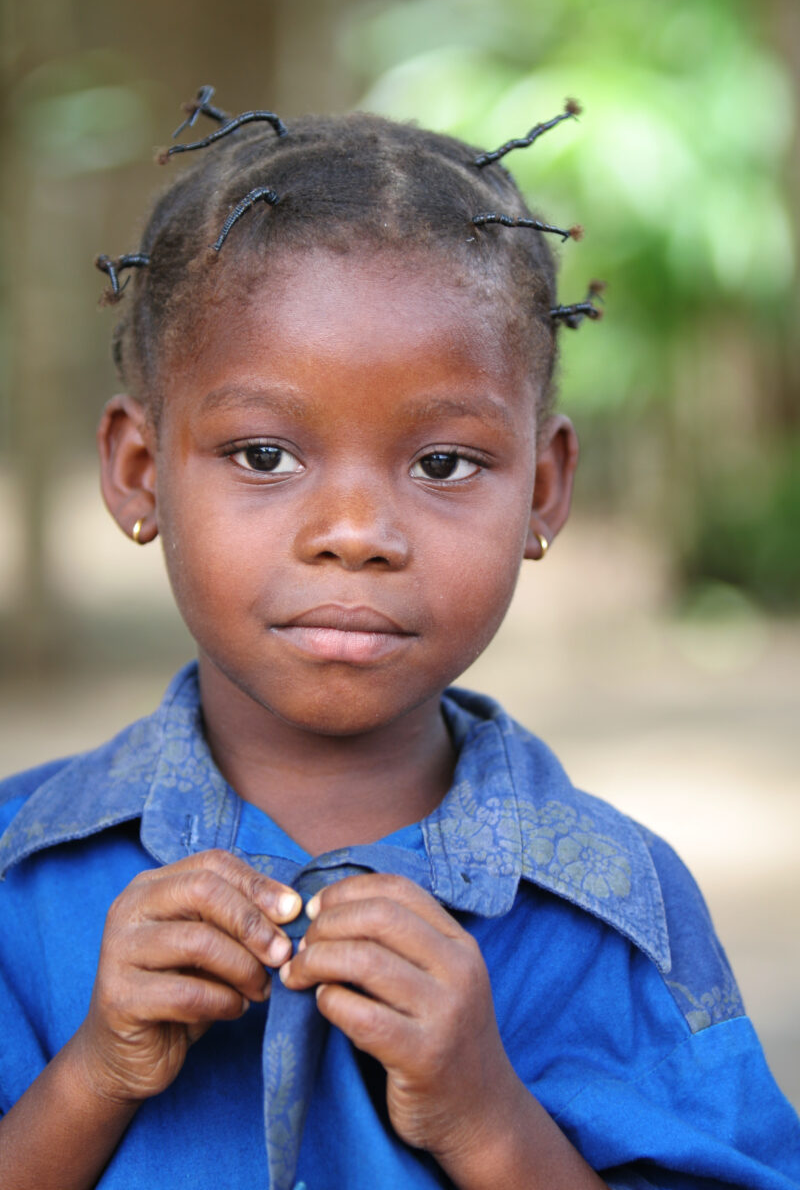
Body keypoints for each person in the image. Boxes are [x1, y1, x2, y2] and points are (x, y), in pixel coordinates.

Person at [0, 87, 797, 1190]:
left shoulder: (616, 910)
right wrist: (91, 1074)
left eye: (441, 465)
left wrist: (487, 1115)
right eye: (264, 455)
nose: (354, 535)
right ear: (140, 472)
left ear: (543, 488)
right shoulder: (20, 880)